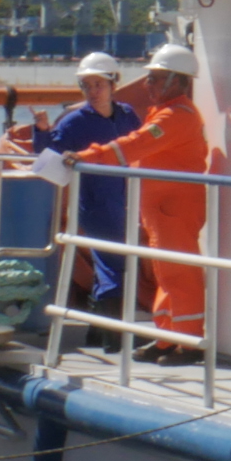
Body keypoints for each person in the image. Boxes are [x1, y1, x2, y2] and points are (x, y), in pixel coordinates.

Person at [73, 41, 211, 362]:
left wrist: (86, 156)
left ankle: (190, 342)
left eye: (155, 78)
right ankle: (167, 337)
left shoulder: (175, 117)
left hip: (174, 209)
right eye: (150, 78)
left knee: (179, 273)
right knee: (165, 272)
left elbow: (135, 145)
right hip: (163, 209)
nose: (147, 84)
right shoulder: (166, 114)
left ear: (178, 81)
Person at [9, 52, 142, 318]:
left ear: (113, 84)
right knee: (112, 263)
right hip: (94, 202)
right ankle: (111, 328)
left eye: (98, 84)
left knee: (115, 261)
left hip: (125, 200)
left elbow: (141, 144)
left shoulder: (127, 115)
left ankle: (101, 328)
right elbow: (48, 156)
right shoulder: (75, 122)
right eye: (87, 85)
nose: (93, 91)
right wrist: (43, 130)